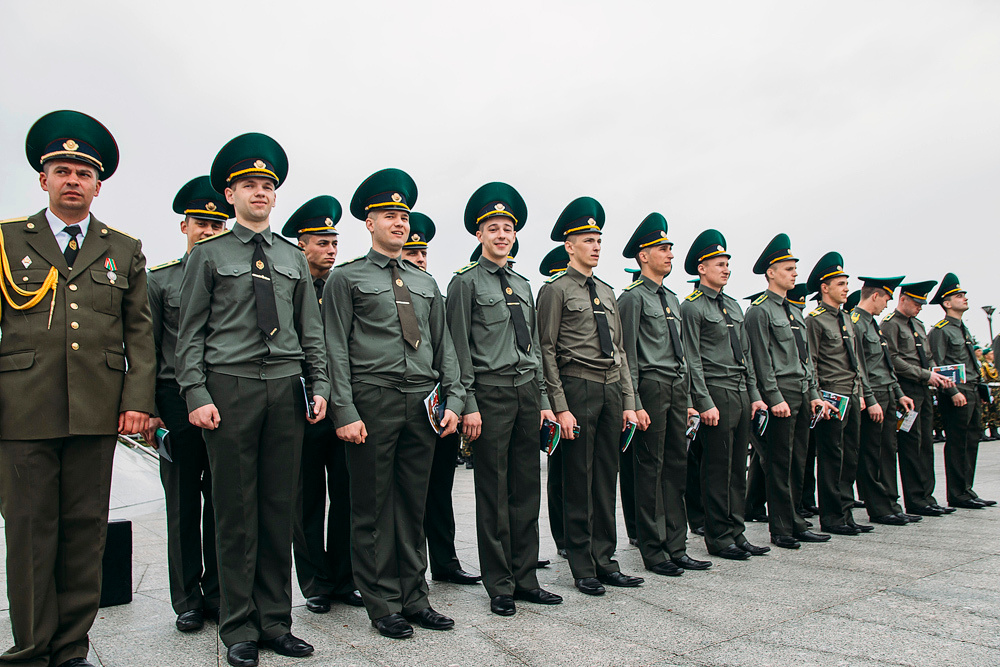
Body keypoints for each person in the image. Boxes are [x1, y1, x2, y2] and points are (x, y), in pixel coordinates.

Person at [0, 110, 155, 667]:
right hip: (22, 409)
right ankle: (31, 648)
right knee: (28, 533)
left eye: (83, 173)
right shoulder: (7, 240)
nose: (72, 180)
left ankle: (70, 649)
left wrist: (139, 401)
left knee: (84, 532)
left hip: (96, 409)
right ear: (43, 179)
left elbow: (139, 330)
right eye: (61, 170)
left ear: (98, 184)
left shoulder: (123, 249)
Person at [176, 133, 329, 667]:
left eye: (267, 185)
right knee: (235, 510)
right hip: (230, 387)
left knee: (278, 508)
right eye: (249, 185)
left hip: (286, 389)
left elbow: (311, 332)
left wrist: (321, 386)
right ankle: (238, 625)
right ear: (230, 194)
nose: (259, 192)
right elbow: (190, 332)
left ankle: (275, 620)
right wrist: (195, 391)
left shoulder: (291, 256)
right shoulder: (210, 255)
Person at [324, 169, 463, 639]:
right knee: (371, 506)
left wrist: (454, 400)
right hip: (372, 399)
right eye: (389, 215)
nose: (399, 222)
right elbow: (333, 349)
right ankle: (381, 601)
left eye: (403, 215)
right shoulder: (347, 279)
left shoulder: (425, 283)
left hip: (421, 403)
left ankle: (415, 597)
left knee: (413, 503)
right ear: (369, 222)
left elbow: (445, 348)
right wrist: (344, 410)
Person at [446, 181, 562, 616]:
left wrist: (546, 399)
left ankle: (526, 576)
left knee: (526, 489)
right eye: (492, 228)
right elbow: (458, 350)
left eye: (507, 229)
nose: (501, 235)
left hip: (527, 392)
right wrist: (469, 403)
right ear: (479, 235)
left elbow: (531, 347)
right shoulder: (465, 283)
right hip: (490, 394)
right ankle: (500, 585)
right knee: (492, 491)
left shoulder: (523, 283)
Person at [536, 197, 642, 596]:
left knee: (605, 479)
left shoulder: (607, 291)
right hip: (577, 386)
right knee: (578, 479)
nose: (596, 245)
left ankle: (606, 559)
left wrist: (630, 402)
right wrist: (559, 407)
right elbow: (545, 350)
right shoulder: (555, 290)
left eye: (598, 238)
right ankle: (582, 564)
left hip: (611, 387)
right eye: (587, 239)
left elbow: (620, 350)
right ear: (569, 245)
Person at [144, 176, 229, 633]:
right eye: (200, 223)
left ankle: (218, 593)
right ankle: (187, 600)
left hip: (228, 400)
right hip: (176, 402)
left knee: (223, 500)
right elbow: (146, 348)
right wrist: (149, 408)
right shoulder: (161, 280)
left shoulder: (235, 271)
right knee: (181, 501)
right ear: (184, 227)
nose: (208, 231)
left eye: (217, 224)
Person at [278, 196, 364, 614]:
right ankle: (314, 582)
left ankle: (345, 578)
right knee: (306, 497)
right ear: (301, 246)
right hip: (305, 404)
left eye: (334, 242)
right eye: (322, 242)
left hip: (345, 405)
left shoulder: (343, 286)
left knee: (347, 493)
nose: (331, 250)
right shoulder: (290, 287)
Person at [618, 213, 711, 574]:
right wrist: (635, 403)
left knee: (676, 466)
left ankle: (677, 545)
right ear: (643, 256)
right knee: (650, 469)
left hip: (675, 387)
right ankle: (653, 549)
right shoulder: (633, 298)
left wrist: (688, 399)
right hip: (651, 388)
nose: (670, 253)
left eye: (670, 247)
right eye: (662, 248)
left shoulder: (672, 298)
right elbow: (626, 353)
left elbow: (684, 352)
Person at [680, 230, 768, 561]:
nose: (726, 268)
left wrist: (755, 395)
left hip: (740, 392)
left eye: (728, 263)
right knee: (716, 469)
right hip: (715, 391)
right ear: (702, 268)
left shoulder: (732, 305)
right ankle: (718, 536)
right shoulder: (692, 307)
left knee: (736, 468)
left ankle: (737, 531)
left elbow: (744, 355)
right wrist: (703, 402)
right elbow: (691, 359)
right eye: (720, 263)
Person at [404, 211, 482, 586]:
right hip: (404, 401)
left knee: (440, 488)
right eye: (411, 252)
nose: (419, 259)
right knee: (407, 494)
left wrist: (457, 400)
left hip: (439, 404)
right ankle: (405, 567)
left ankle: (446, 561)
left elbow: (452, 352)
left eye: (423, 254)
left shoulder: (435, 292)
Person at [744, 234, 831, 549]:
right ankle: (781, 528)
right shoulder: (759, 311)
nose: (795, 273)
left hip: (800, 393)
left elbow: (804, 359)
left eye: (795, 268)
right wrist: (774, 397)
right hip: (779, 394)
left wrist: (813, 395)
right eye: (788, 268)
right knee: (778, 463)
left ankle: (796, 520)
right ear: (771, 272)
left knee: (799, 462)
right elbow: (760, 360)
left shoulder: (793, 312)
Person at [804, 253, 873, 536]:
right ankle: (832, 517)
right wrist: (818, 397)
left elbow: (857, 361)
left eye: (846, 283)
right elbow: (812, 362)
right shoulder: (815, 320)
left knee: (850, 456)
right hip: (831, 399)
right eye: (840, 283)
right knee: (832, 457)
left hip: (852, 395)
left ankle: (846, 513)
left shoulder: (847, 318)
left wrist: (863, 393)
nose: (846, 288)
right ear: (825, 288)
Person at [881, 280, 956, 516]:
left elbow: (928, 356)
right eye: (916, 303)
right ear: (902, 299)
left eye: (922, 304)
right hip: (907, 391)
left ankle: (927, 495)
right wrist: (925, 374)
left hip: (924, 389)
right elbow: (893, 359)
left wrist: (937, 374)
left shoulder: (919, 325)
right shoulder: (890, 325)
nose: (919, 307)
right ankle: (915, 499)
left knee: (925, 444)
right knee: (911, 445)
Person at [850, 277, 917, 526]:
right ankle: (878, 507)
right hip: (874, 395)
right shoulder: (855, 323)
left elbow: (885, 364)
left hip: (887, 393)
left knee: (887, 451)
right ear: (875, 296)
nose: (887, 305)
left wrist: (899, 393)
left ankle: (890, 503)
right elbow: (859, 367)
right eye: (886, 299)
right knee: (872, 453)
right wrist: (869, 397)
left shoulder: (873, 324)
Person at [927, 273, 996, 509]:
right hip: (956, 393)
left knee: (972, 440)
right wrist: (953, 391)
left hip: (973, 390)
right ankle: (957, 493)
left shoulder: (962, 328)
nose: (964, 298)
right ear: (946, 303)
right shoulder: (941, 330)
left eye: (964, 294)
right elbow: (937, 364)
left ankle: (967, 489)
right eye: (958, 296)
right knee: (958, 443)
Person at [537, 245, 570, 557]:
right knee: (561, 470)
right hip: (562, 387)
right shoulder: (551, 295)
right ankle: (562, 537)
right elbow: (546, 349)